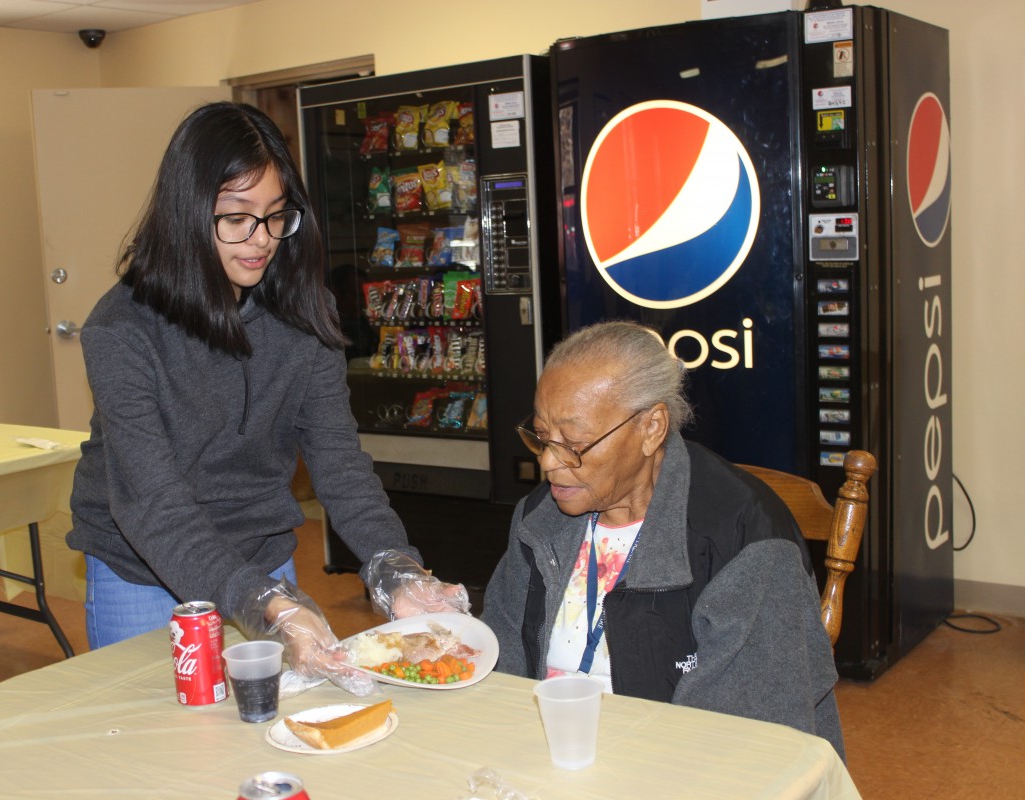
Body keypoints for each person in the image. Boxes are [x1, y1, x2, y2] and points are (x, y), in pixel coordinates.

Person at [66, 102, 466, 693]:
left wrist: (395, 565)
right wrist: (269, 604)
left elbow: (337, 459)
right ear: (186, 212)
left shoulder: (303, 313)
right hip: (143, 573)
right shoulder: (122, 329)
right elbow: (151, 504)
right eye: (236, 218)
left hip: (260, 556)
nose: (261, 241)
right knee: (155, 755)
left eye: (277, 217)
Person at [480, 321, 845, 757]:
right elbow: (502, 670)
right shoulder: (541, 518)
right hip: (555, 754)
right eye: (542, 438)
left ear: (652, 428)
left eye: (575, 444)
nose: (551, 465)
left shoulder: (745, 543)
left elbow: (746, 740)